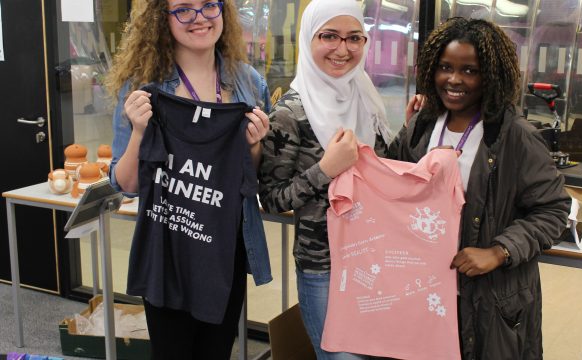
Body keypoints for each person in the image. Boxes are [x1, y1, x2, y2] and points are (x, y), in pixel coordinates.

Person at [392, 17, 571, 359]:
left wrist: (499, 251)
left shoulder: (516, 136)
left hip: (491, 300)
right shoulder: (422, 124)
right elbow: (398, 184)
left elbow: (554, 210)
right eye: (445, 67)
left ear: (491, 75)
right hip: (429, 290)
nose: (454, 79)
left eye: (469, 71)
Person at [105, 0, 272, 358]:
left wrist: (254, 148)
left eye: (209, 5)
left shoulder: (248, 83)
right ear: (162, 18)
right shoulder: (143, 87)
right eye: (183, 9)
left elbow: (252, 179)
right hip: (169, 249)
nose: (199, 18)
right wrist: (138, 132)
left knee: (216, 352)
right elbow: (127, 185)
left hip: (225, 248)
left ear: (223, 11)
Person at [257, 0, 397, 358]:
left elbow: (384, 171)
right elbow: (272, 199)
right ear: (309, 39)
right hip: (325, 267)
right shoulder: (290, 111)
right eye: (329, 36)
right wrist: (326, 170)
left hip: (377, 258)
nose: (343, 49)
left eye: (354, 38)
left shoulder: (365, 96)